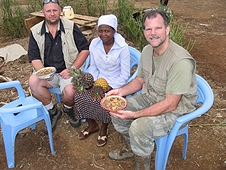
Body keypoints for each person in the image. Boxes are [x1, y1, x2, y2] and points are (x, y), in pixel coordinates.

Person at [106, 9, 197, 169]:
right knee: (118, 111)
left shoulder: (180, 61)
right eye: (148, 29)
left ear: (167, 30)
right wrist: (120, 92)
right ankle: (135, 149)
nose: (153, 33)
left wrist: (135, 115)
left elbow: (171, 104)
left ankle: (143, 165)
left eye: (158, 28)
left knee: (138, 127)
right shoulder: (147, 50)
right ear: (144, 32)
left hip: (175, 111)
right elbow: (140, 80)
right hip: (152, 97)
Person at [28, 0, 89, 132]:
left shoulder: (71, 27)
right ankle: (53, 110)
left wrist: (72, 69)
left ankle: (68, 109)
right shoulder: (35, 31)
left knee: (71, 91)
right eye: (48, 11)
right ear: (43, 13)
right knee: (33, 81)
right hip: (47, 73)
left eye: (55, 10)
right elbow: (34, 57)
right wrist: (43, 72)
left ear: (60, 11)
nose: (52, 14)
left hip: (68, 71)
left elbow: (85, 49)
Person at [74, 14, 130, 147]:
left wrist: (109, 87)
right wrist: (90, 81)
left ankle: (104, 126)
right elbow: (93, 66)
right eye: (100, 30)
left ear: (114, 31)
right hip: (98, 78)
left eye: (107, 31)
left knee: (105, 100)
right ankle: (92, 125)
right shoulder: (94, 44)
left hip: (116, 82)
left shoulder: (122, 48)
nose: (103, 34)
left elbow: (125, 75)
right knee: (79, 94)